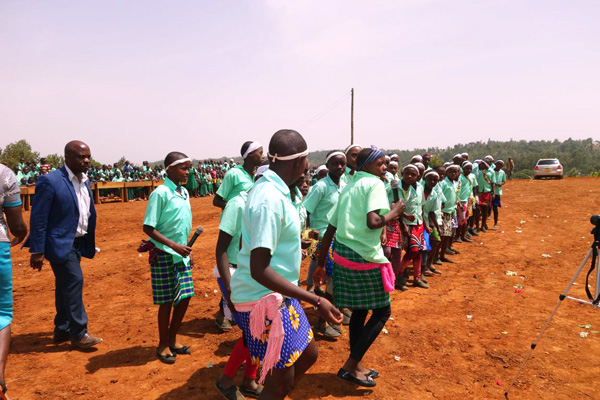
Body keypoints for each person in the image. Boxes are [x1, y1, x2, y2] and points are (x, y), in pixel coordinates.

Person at [230, 129, 342, 400]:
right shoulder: (269, 198)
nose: (308, 165)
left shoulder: (278, 192)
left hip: (281, 294)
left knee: (308, 354)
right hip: (262, 299)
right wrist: (316, 300)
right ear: (298, 161)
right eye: (306, 159)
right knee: (282, 378)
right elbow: (259, 269)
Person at [316, 146, 405, 387]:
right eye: (380, 164)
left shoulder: (350, 186)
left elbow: (331, 228)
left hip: (343, 253)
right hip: (364, 255)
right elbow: (373, 221)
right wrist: (394, 212)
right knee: (382, 311)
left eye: (385, 163)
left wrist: (321, 263)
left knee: (360, 310)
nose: (384, 167)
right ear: (367, 165)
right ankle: (350, 365)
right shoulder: (374, 184)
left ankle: (356, 365)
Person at [23, 141, 102, 349]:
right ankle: (79, 333)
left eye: (88, 156)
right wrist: (37, 250)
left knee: (64, 285)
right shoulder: (51, 181)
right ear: (66, 157)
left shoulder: (84, 180)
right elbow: (39, 217)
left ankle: (63, 328)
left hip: (78, 242)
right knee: (74, 280)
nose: (86, 161)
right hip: (59, 243)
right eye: (81, 157)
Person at [141, 152, 195, 364]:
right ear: (170, 169)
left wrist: (187, 249)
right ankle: (163, 344)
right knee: (166, 301)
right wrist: (173, 245)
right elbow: (148, 227)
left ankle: (172, 338)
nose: (187, 172)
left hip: (181, 254)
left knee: (185, 296)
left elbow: (181, 225)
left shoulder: (184, 192)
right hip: (164, 253)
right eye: (184, 168)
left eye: (189, 168)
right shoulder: (160, 193)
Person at [213, 191, 262, 399]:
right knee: (252, 332)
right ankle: (226, 379)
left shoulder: (265, 202)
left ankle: (250, 379)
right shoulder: (237, 204)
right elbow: (221, 248)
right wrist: (229, 286)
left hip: (254, 275)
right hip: (235, 273)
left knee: (259, 331)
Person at [303, 150, 347, 338]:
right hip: (322, 239)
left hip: (340, 238)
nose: (339, 167)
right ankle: (322, 322)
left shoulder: (344, 186)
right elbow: (306, 211)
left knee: (336, 279)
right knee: (331, 278)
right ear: (327, 166)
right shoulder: (320, 187)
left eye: (342, 163)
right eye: (335, 163)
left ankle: (334, 312)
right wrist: (308, 237)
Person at [0, 165, 27, 400]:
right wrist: (21, 232)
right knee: (1, 313)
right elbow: (16, 224)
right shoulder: (3, 173)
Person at [396, 164, 428, 289]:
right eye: (407, 173)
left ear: (418, 176)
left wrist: (424, 224)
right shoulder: (397, 187)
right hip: (404, 223)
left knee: (418, 251)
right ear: (402, 173)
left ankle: (417, 278)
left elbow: (421, 206)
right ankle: (399, 274)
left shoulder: (419, 187)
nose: (409, 176)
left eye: (413, 174)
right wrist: (403, 223)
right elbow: (395, 207)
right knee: (412, 251)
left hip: (418, 223)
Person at [213, 141, 263, 209]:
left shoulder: (256, 176)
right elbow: (216, 201)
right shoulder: (233, 174)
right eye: (260, 153)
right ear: (250, 154)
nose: (263, 156)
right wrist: (235, 208)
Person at [438, 164, 460, 263]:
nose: (454, 174)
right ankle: (436, 256)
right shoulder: (443, 183)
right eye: (451, 172)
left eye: (456, 172)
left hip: (451, 211)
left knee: (447, 235)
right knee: (442, 236)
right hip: (444, 212)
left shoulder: (454, 183)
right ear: (447, 173)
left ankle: (442, 255)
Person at [492, 160, 507, 230]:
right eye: (498, 164)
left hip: (497, 192)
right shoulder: (491, 171)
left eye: (501, 165)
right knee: (486, 208)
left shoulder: (502, 172)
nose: (499, 166)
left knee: (495, 208)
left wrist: (501, 183)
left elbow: (504, 181)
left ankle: (495, 224)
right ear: (495, 164)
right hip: (489, 191)